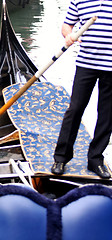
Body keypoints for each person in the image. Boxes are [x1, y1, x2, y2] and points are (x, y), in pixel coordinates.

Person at [51, 0, 112, 179]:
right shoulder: (79, 0)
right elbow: (67, 25)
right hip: (86, 64)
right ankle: (61, 158)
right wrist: (68, 35)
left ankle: (95, 159)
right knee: (75, 109)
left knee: (107, 114)